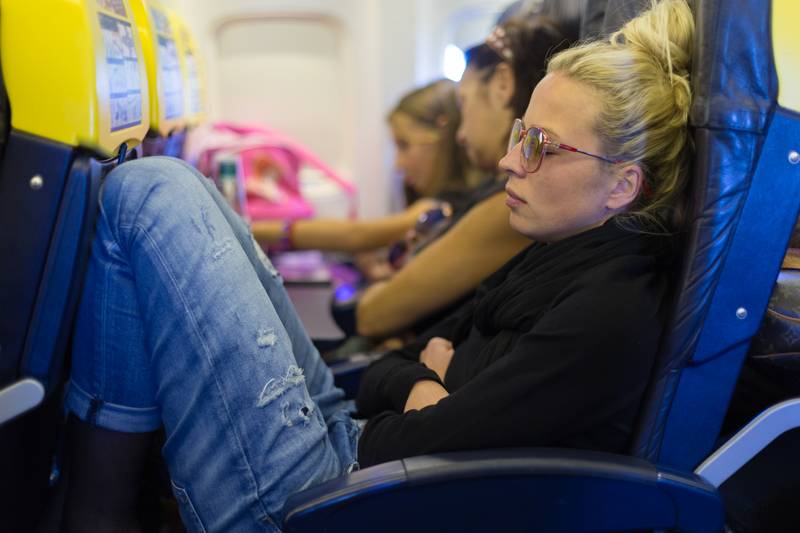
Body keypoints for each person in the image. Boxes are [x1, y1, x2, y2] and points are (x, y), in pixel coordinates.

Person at [63, 1, 694, 531]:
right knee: (192, 194)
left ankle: (92, 513)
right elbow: (402, 363)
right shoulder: (553, 251)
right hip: (357, 448)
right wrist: (425, 381)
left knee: (150, 192)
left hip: (331, 496)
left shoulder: (609, 312)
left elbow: (433, 436)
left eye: (540, 147)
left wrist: (430, 379)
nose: (509, 161)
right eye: (518, 134)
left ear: (622, 186)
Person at [250, 79, 476, 255]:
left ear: (443, 138)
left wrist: (253, 229)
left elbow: (355, 235)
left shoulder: (440, 208)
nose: (398, 164)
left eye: (404, 145)